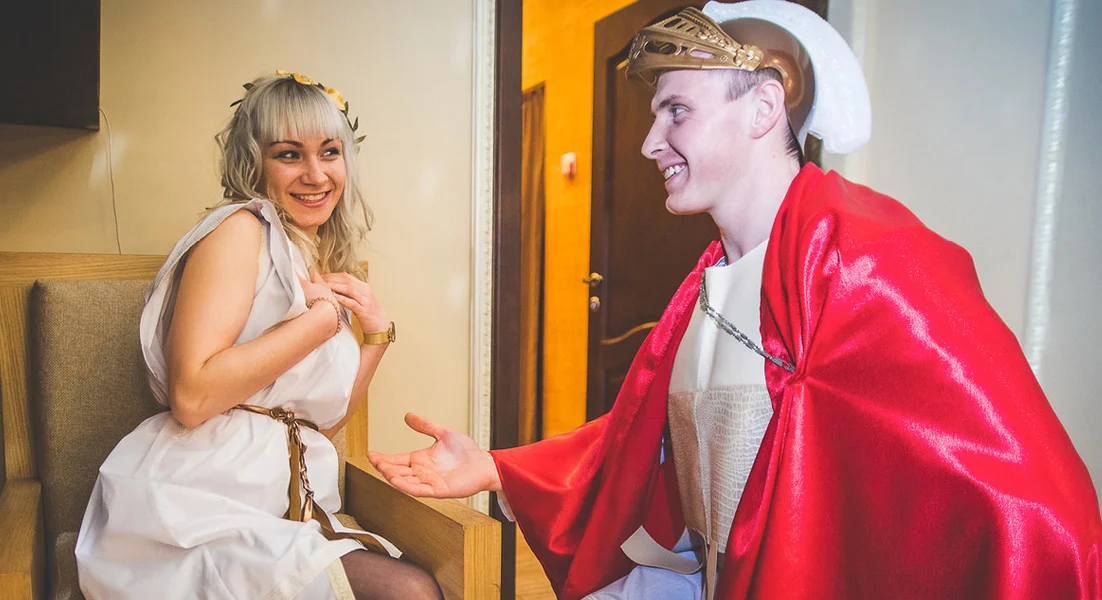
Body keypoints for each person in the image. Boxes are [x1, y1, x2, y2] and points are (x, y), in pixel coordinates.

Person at [371, 2, 1102, 599]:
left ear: (763, 107)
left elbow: (1039, 510)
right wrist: (497, 467)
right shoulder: (710, 282)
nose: (650, 143)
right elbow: (641, 445)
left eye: (676, 111)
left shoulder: (867, 264)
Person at [76, 71, 440, 600]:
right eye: (289, 154)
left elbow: (320, 424)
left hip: (281, 504)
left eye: (330, 152)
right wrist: (319, 323)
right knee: (407, 591)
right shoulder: (238, 230)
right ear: (255, 162)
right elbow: (191, 396)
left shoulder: (314, 259)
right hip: (196, 504)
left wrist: (376, 338)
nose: (315, 174)